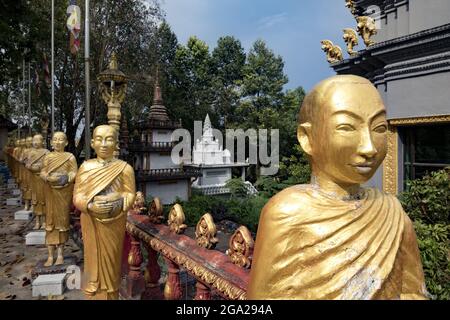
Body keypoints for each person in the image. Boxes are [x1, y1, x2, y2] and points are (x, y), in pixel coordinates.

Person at [247, 75, 428, 300]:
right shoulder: (287, 212)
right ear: (307, 138)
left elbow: (413, 291)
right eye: (347, 127)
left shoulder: (392, 212)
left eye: (379, 128)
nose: (369, 148)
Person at [73, 125, 135, 300]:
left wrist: (118, 202)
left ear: (116, 143)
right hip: (91, 222)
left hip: (114, 223)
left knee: (112, 264)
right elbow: (77, 196)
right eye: (99, 139)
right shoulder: (86, 167)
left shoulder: (125, 168)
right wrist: (90, 206)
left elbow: (130, 194)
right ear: (92, 143)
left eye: (109, 139)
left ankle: (112, 294)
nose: (104, 144)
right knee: (93, 262)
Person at [40, 132, 78, 266]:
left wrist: (66, 178)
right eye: (55, 140)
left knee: (62, 223)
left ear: (66, 142)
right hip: (50, 191)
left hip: (63, 192)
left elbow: (74, 172)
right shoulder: (48, 157)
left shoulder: (70, 157)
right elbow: (43, 171)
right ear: (51, 143)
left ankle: (61, 254)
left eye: (61, 139)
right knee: (50, 222)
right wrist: (48, 177)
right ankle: (50, 255)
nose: (57, 142)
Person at [25, 134, 49, 230]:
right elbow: (27, 164)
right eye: (34, 140)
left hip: (43, 180)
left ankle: (44, 221)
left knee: (43, 200)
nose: (35, 142)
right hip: (34, 180)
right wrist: (30, 167)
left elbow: (48, 165)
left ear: (42, 142)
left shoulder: (46, 152)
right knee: (35, 201)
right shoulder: (30, 153)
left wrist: (39, 167)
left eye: (37, 140)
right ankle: (37, 221)